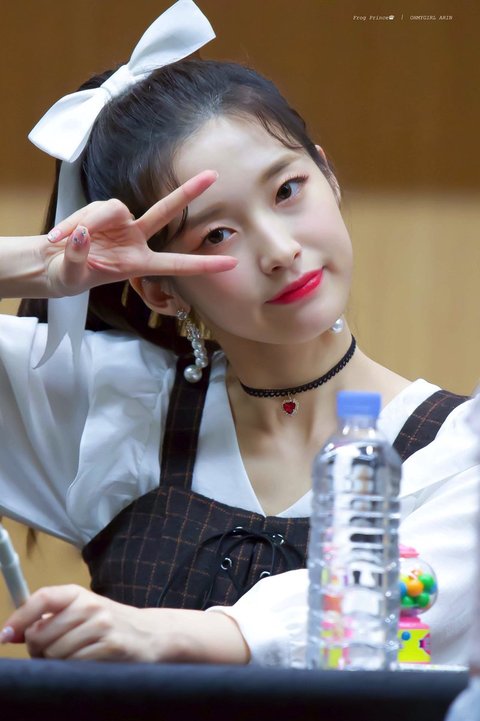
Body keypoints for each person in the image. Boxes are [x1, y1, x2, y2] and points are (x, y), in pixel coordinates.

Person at [0, 0, 478, 666]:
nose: (279, 250)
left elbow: (384, 604)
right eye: (218, 233)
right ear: (160, 289)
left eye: (287, 191)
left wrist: (170, 634)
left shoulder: (458, 453)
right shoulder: (111, 412)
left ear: (329, 175)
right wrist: (43, 265)